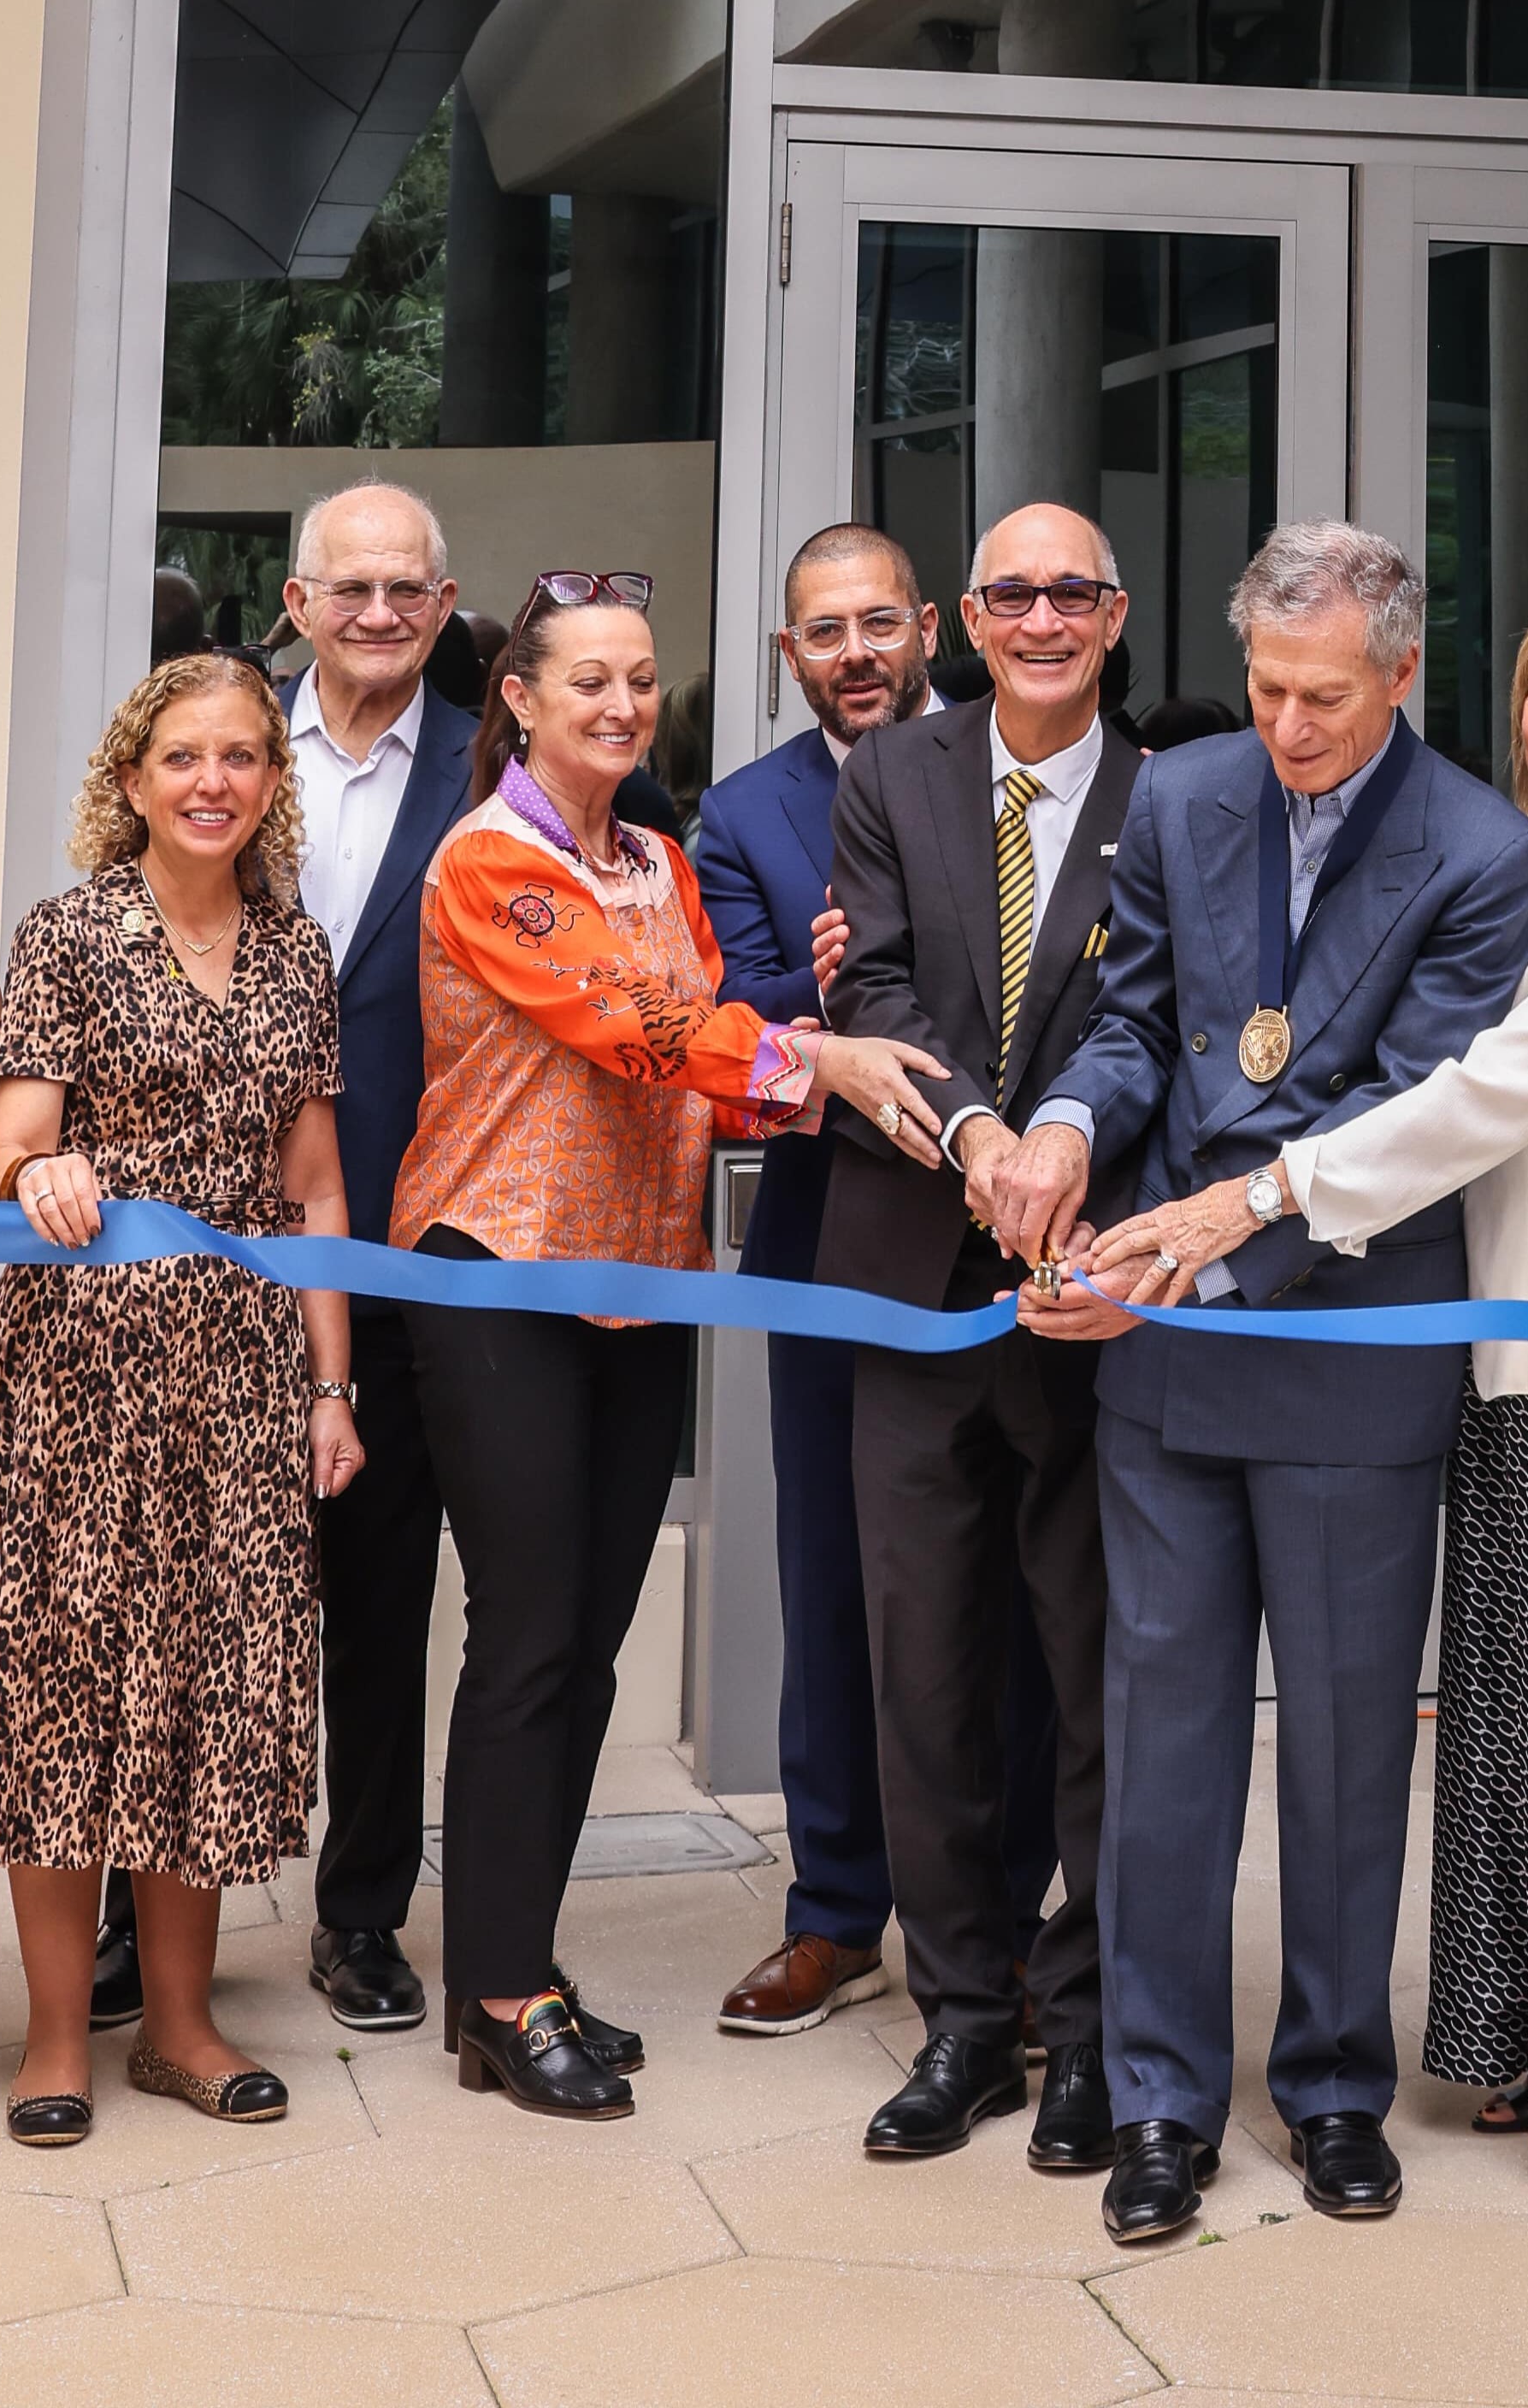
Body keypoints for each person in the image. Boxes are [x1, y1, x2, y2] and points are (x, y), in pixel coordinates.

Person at [1100, 585, 1528, 2205]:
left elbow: (1473, 1091)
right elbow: (1134, 1019)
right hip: (1498, 1357)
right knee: (1524, 1733)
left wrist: (1241, 1206)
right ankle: (1186, 2101)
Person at [1014, 521, 1528, 2242]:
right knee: (1161, 1745)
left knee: (1338, 1754)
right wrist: (1068, 1124)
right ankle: (1161, 2098)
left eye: (1323, 696)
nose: (1290, 725)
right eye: (1265, 687)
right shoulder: (1182, 797)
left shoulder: (1482, 851)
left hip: (1341, 1348)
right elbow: (1130, 1017)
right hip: (1163, 1366)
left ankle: (1331, 2085)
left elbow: (1401, 1123)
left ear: (1401, 675)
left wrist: (1209, 1248)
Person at [392, 570, 950, 2120]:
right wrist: (817, 1056)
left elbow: (700, 1056)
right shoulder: (490, 860)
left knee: (585, 1645)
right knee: (524, 1639)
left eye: (642, 681)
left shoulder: (652, 853)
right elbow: (633, 1025)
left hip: (646, 1281)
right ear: (519, 694)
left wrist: (815, 1032)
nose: (624, 707)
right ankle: (499, 1989)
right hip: (497, 1273)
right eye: (590, 683)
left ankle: (521, 1966)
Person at [0, 657, 362, 2146]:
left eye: (240, 757)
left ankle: (182, 2026)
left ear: (270, 784)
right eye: (181, 758)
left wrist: (330, 1389)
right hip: (74, 1386)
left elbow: (316, 1187)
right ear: (133, 779)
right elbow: (13, 1145)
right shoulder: (72, 935)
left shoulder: (296, 951)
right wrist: (46, 1169)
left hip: (235, 1385)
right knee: (66, 1696)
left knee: (205, 1697)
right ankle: (50, 2041)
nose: (210, 781)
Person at [811, 504, 1140, 2170]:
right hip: (915, 1284)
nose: (1037, 617)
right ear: (966, 615)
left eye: (1067, 591)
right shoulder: (892, 776)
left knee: (1096, 1677)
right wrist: (972, 1139)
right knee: (922, 1666)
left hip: (1093, 1301)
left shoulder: (1177, 796)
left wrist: (1056, 1152)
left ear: (1113, 613)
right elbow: (867, 993)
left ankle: (1083, 2028)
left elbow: (1158, 1020)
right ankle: (958, 2017)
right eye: (1008, 592)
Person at [687, 524, 923, 2040]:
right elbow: (726, 1017)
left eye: (878, 621)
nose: (853, 650)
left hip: (997, 1242)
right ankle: (836, 1913)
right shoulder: (742, 810)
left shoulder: (995, 772)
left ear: (925, 631)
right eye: (824, 629)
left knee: (1003, 1595)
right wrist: (818, 991)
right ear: (791, 656)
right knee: (831, 1581)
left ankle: (1010, 1912)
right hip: (830, 1241)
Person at [276, 478, 475, 2038]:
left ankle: (361, 1908)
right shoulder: (209, 751)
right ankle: (157, 1903)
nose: (381, 611)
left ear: (447, 601)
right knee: (187, 1584)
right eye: (352, 587)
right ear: (297, 602)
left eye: (408, 588)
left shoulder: (504, 767)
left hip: (412, 1229)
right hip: (213, 1238)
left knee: (381, 1585)